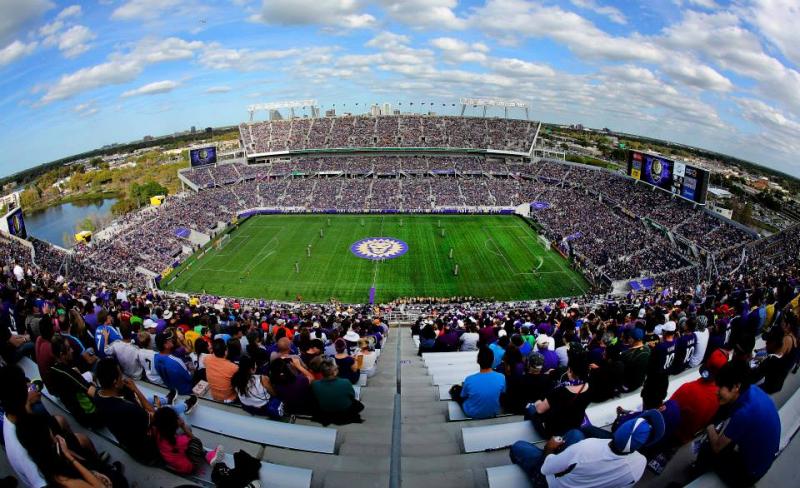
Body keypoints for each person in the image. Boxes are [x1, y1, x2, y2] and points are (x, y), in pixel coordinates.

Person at [510, 409, 665, 487]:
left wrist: (549, 449)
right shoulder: (640, 463)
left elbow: (546, 469)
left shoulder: (587, 447)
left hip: (551, 482)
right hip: (580, 473)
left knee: (518, 446)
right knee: (576, 433)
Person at [691, 360, 780, 486]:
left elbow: (717, 447)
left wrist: (709, 426)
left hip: (750, 472)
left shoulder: (744, 413)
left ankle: (694, 475)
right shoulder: (752, 389)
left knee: (708, 447)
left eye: (721, 387)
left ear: (736, 386)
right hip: (764, 458)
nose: (716, 391)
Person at [526, 351, 591, 438]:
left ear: (570, 371)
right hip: (575, 423)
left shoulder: (560, 390)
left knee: (530, 407)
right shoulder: (589, 387)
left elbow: (540, 410)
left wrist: (537, 402)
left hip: (555, 431)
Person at [669, 351, 726, 444]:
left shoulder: (687, 389)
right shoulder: (721, 396)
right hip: (691, 438)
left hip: (674, 436)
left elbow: (668, 410)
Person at [152, 407, 225, 474]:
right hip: (188, 467)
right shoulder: (180, 441)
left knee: (188, 428)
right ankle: (208, 456)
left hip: (169, 458)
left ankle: (207, 455)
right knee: (194, 441)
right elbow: (196, 441)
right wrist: (183, 425)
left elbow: (161, 419)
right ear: (174, 424)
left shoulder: (157, 431)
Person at [48, 335, 100, 427]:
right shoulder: (68, 374)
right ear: (61, 354)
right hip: (91, 417)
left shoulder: (53, 369)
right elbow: (91, 392)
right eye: (68, 349)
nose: (72, 350)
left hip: (75, 411)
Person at [451, 347, 506, 419]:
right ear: (493, 360)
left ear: (478, 361)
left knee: (456, 390)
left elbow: (463, 395)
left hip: (472, 413)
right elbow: (502, 392)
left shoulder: (469, 379)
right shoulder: (501, 377)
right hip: (494, 411)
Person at [311, 357, 364, 425]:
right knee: (358, 405)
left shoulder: (315, 384)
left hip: (325, 409)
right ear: (335, 372)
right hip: (343, 410)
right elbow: (352, 395)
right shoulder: (345, 382)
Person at [154, 330, 193, 395]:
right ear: (165, 345)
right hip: (185, 391)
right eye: (169, 339)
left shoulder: (155, 357)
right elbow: (188, 377)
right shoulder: (176, 361)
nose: (171, 340)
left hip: (171, 389)